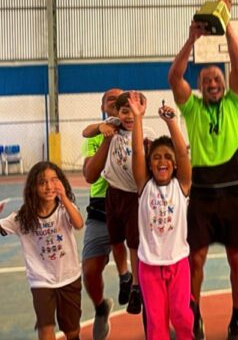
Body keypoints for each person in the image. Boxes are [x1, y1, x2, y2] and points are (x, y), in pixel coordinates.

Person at [168, 12, 238, 340]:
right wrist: (191, 41)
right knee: (196, 258)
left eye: (217, 79)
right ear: (200, 87)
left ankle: (237, 319)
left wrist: (225, 21)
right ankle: (195, 315)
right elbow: (174, 77)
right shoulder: (192, 108)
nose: (213, 84)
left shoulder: (235, 101)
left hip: (232, 192)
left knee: (235, 258)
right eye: (206, 81)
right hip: (200, 193)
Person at [0, 162, 84, 340]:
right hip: (41, 280)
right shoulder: (22, 217)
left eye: (54, 180)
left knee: (72, 331)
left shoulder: (63, 209)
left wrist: (65, 198)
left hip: (69, 276)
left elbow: (78, 224)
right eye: (43, 182)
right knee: (45, 329)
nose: (49, 186)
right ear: (33, 188)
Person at [127, 92, 194, 340]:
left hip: (178, 263)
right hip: (150, 267)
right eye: (156, 157)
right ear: (150, 164)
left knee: (182, 316)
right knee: (156, 324)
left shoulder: (182, 186)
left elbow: (184, 154)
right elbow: (136, 152)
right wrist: (137, 117)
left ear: (175, 164)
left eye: (167, 157)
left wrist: (171, 122)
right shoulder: (144, 186)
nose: (162, 161)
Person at [83, 91, 144, 316]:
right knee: (116, 240)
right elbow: (89, 172)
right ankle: (124, 277)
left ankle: (136, 287)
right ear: (112, 109)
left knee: (135, 243)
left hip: (134, 196)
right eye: (122, 109)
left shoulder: (144, 132)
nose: (127, 114)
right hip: (108, 199)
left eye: (132, 108)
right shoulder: (109, 126)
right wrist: (102, 130)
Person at [80, 88, 129, 339]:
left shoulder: (136, 129)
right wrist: (106, 136)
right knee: (89, 270)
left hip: (128, 203)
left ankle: (161, 319)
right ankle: (101, 308)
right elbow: (90, 175)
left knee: (151, 266)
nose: (114, 101)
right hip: (100, 206)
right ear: (103, 107)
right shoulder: (96, 134)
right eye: (109, 98)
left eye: (119, 98)